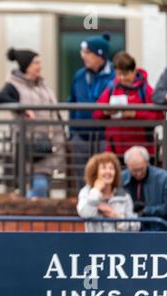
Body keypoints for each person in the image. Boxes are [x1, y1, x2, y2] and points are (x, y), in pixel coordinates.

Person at [0, 48, 65, 198]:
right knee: (40, 186)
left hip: (50, 145)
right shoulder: (14, 85)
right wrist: (23, 111)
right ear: (26, 66)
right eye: (36, 63)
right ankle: (32, 213)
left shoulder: (42, 85)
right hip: (31, 147)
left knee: (43, 185)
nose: (39, 66)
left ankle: (35, 214)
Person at [94, 52, 164, 157]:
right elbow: (96, 112)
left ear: (134, 71)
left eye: (125, 74)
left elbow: (159, 116)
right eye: (118, 74)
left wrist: (135, 114)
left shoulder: (145, 90)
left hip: (141, 152)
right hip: (115, 149)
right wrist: (106, 111)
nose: (121, 78)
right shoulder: (111, 88)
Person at [69, 33, 115, 190]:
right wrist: (72, 131)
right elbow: (72, 102)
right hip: (80, 136)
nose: (83, 56)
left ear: (100, 55)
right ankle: (84, 208)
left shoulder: (114, 76)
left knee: (105, 175)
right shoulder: (79, 75)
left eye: (87, 53)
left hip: (104, 136)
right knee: (82, 178)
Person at [77, 152, 140, 232]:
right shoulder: (86, 192)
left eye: (111, 168)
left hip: (117, 243)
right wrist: (96, 191)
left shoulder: (124, 196)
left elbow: (135, 227)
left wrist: (115, 217)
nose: (108, 172)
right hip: (94, 243)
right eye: (104, 168)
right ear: (95, 172)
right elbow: (85, 213)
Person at [122, 146, 167, 231]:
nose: (138, 174)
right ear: (127, 166)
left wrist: (146, 211)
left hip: (157, 230)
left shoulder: (163, 178)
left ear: (147, 163)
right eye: (134, 170)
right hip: (128, 231)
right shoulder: (121, 178)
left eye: (141, 169)